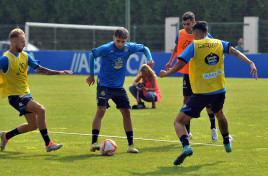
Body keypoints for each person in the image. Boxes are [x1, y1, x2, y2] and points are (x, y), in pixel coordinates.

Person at [160, 21, 258, 165]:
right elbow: (235, 52)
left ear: (196, 33)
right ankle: (226, 142)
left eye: (193, 34)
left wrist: (166, 73)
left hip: (201, 93)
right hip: (219, 90)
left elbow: (181, 63)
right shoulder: (218, 43)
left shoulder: (194, 45)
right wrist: (250, 63)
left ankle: (186, 147)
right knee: (220, 114)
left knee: (179, 122)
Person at [0, 28, 73, 152]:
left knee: (33, 126)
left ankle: (6, 136)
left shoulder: (25, 56)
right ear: (14, 41)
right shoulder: (6, 58)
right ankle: (48, 144)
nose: (24, 45)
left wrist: (58, 72)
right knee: (41, 110)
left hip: (26, 94)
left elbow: (40, 70)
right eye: (22, 42)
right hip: (15, 96)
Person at [86, 27, 155, 153]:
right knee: (101, 110)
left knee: (127, 113)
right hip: (104, 85)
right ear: (113, 38)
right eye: (118, 41)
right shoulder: (106, 48)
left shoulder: (129, 47)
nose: (120, 44)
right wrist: (91, 74)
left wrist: (149, 58)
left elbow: (144, 48)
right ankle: (94, 142)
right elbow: (92, 55)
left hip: (118, 87)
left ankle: (131, 145)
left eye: (123, 41)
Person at [165, 11, 218, 142]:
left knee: (208, 103)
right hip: (188, 73)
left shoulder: (203, 34)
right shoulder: (180, 33)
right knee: (186, 101)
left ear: (194, 23)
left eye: (188, 24)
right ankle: (187, 131)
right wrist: (171, 61)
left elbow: (212, 47)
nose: (186, 27)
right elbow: (177, 47)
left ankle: (213, 128)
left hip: (200, 73)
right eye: (184, 24)